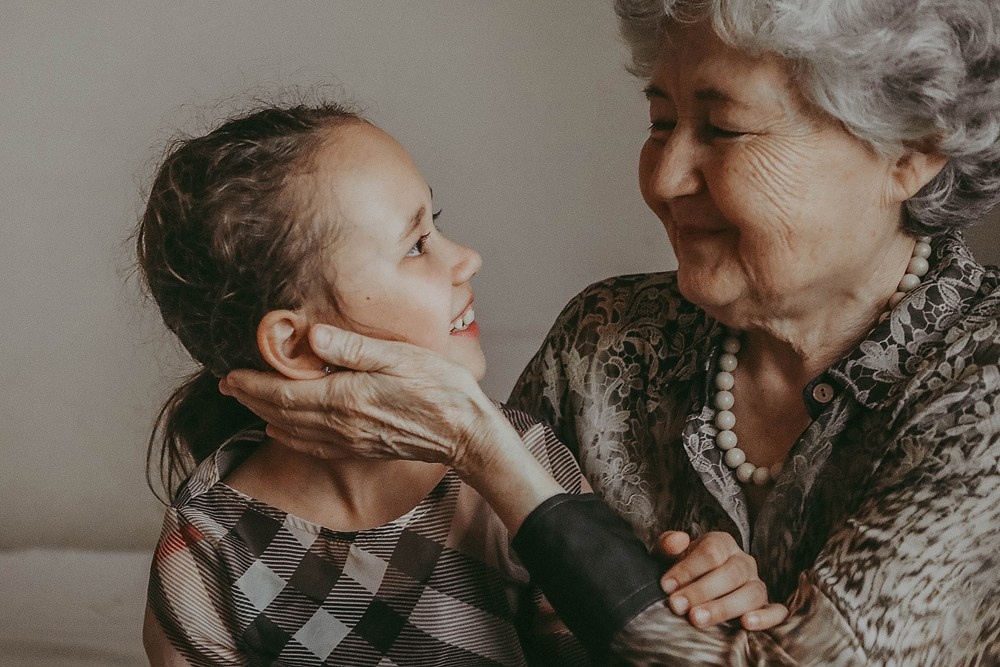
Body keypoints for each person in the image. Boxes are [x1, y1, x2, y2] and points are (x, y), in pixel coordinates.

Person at [219, 0, 1000, 663]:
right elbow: (473, 624)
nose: (663, 179)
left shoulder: (982, 386)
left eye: (723, 129)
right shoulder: (605, 341)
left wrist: (489, 448)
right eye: (660, 122)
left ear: (910, 151)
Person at [137, 102, 777, 666]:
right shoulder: (207, 549)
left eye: (436, 222)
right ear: (297, 344)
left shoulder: (517, 461)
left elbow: (620, 648)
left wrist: (685, 599)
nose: (465, 257)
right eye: (416, 244)